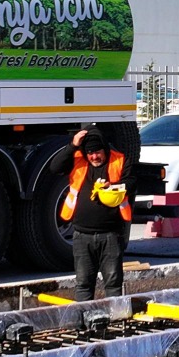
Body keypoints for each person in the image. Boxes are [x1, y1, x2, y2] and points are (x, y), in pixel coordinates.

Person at [59, 128, 132, 302]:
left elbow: (132, 182)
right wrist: (72, 146)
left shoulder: (120, 160)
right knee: (83, 283)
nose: (94, 157)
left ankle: (114, 321)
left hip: (111, 235)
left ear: (105, 149)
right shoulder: (78, 160)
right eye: (90, 153)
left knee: (114, 283)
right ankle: (84, 323)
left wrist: (113, 186)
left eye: (97, 152)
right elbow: (55, 167)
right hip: (82, 235)